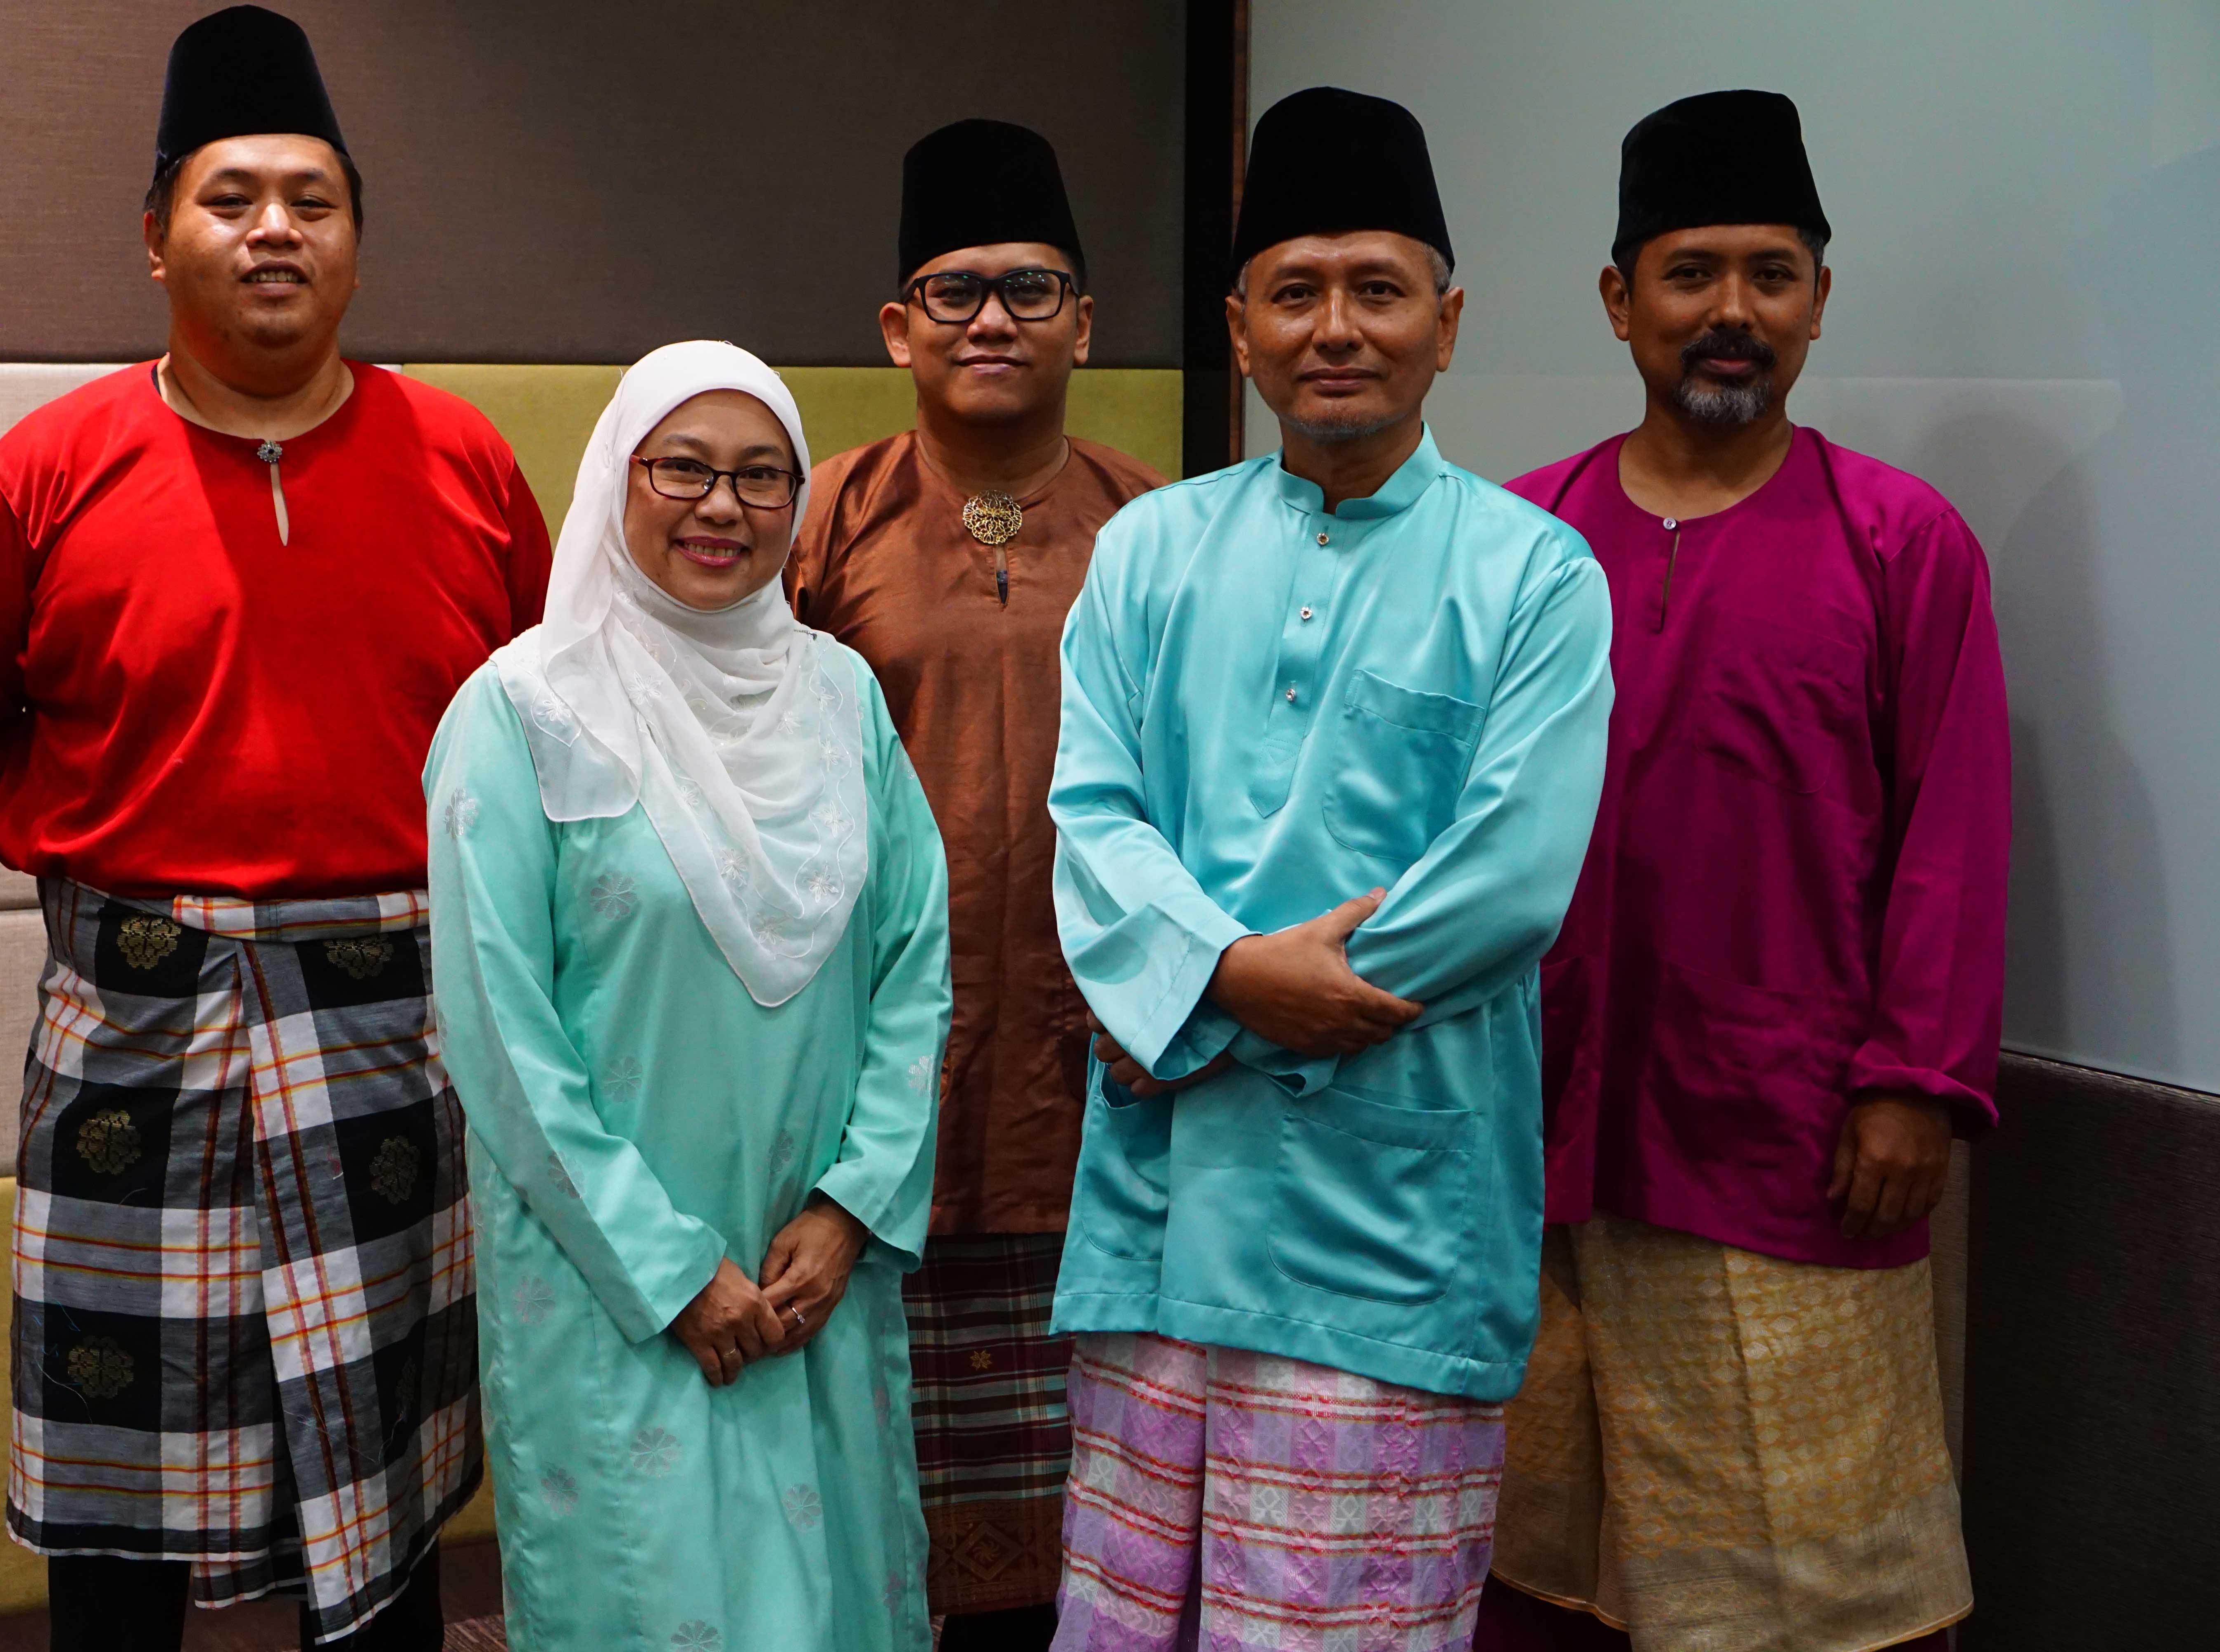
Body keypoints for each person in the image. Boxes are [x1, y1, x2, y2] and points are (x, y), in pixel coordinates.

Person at [0, 9, 551, 1646]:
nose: (273, 230)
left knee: (380, 1475)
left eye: (312, 201)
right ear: (157, 236)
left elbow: (545, 735)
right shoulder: (44, 472)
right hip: (135, 1029)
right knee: (118, 1495)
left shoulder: (462, 460)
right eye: (232, 196)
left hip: (392, 1031)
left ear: (357, 244)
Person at [1044, 87, 1614, 1649]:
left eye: (1379, 288)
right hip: (1157, 1224)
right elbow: (1091, 823)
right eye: (1297, 291)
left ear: (1449, 320)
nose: (1338, 327)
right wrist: (1236, 979)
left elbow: (1511, 878)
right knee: (1132, 1621)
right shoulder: (1149, 553)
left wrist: (1205, 1007)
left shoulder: (1535, 574)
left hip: (1390, 1231)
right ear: (1240, 330)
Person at [1472, 91, 2006, 1652]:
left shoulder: (1900, 543)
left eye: (1771, 274)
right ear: (1619, 299)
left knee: (1818, 1582)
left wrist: (1914, 1080)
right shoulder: (1521, 538)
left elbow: (1953, 838)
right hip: (1537, 1139)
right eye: (1690, 271)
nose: (1731, 313)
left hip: (1788, 1141)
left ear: (1819, 303)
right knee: (1546, 1553)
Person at [425, 340, 953, 1652]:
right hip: (625, 1298)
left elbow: (913, 962)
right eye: (685, 468)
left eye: (763, 478)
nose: (723, 507)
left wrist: (852, 1209)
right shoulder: (523, 713)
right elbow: (500, 1036)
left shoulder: (841, 698)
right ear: (620, 475)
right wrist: (670, 1274)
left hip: (816, 1274)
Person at [786, 118, 1166, 1650]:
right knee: (887, 1525)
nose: (992, 319)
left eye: (1030, 288)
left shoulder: (1161, 528)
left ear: (1087, 320)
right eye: (954, 292)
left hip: (1106, 1089)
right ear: (898, 328)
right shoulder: (822, 518)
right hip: (884, 1085)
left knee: (1105, 1538)